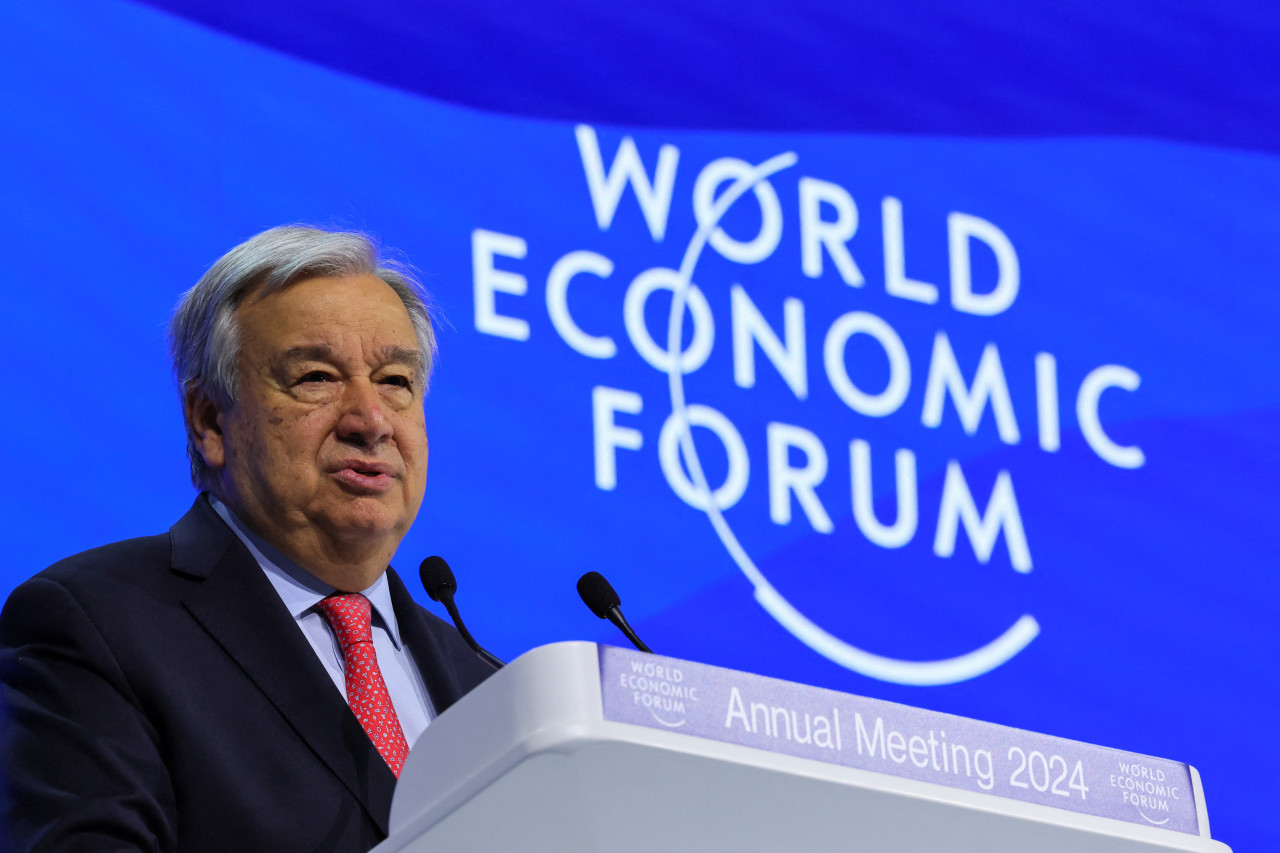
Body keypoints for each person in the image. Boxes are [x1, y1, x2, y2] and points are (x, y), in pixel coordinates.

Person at [0, 226, 495, 852]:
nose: (371, 421)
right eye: (317, 377)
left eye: (396, 381)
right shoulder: (98, 624)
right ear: (210, 421)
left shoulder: (485, 686)